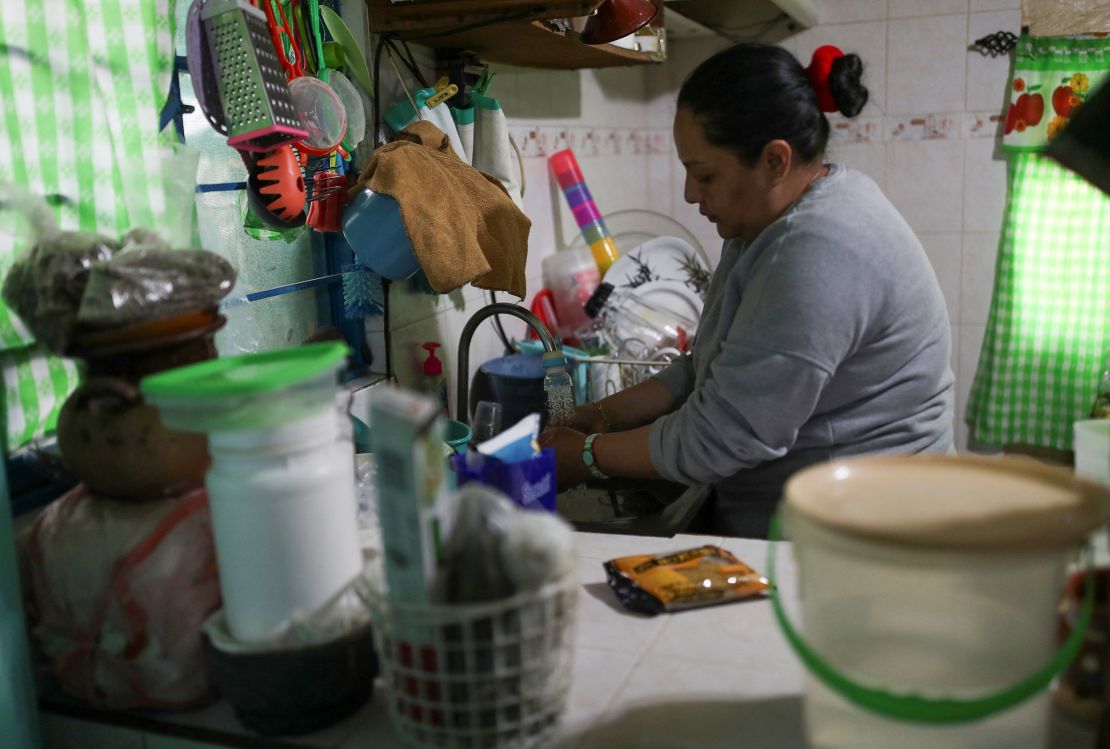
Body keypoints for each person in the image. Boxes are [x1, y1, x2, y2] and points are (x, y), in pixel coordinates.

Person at [539, 43, 955, 538]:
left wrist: (585, 457)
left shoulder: (817, 249)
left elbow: (722, 436)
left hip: (864, 534)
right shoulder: (766, 222)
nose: (692, 194)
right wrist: (603, 414)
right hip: (819, 513)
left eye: (705, 174)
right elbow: (709, 367)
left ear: (775, 161)